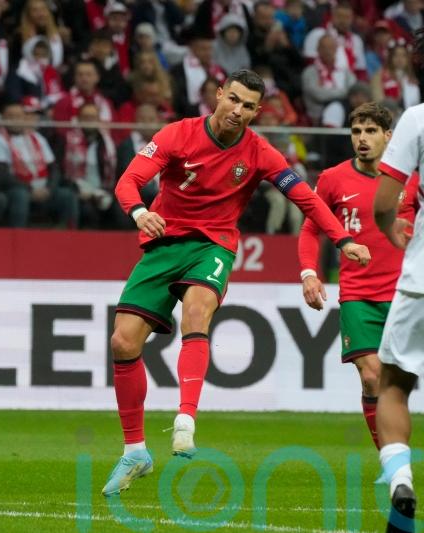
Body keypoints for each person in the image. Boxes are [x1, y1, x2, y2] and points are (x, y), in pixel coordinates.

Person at [103, 69, 371, 497]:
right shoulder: (178, 134)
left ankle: (185, 419)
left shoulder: (260, 153)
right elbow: (128, 181)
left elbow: (305, 197)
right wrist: (139, 212)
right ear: (218, 95)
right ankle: (135, 451)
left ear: (256, 112)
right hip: (163, 242)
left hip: (213, 246)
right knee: (122, 342)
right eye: (233, 99)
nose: (238, 110)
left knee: (196, 312)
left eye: (248, 106)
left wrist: (342, 239)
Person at [298, 102, 418, 452]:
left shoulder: (412, 180)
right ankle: (391, 460)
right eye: (356, 131)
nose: (362, 139)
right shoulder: (333, 179)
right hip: (358, 296)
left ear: (388, 136)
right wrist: (309, 274)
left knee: (400, 382)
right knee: (371, 377)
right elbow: (310, 229)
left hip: (408, 293)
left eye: (370, 131)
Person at [372, 35, 424, 530]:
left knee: (393, 385)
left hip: (421, 279)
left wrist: (390, 229)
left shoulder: (416, 118)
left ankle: (401, 481)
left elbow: (384, 202)